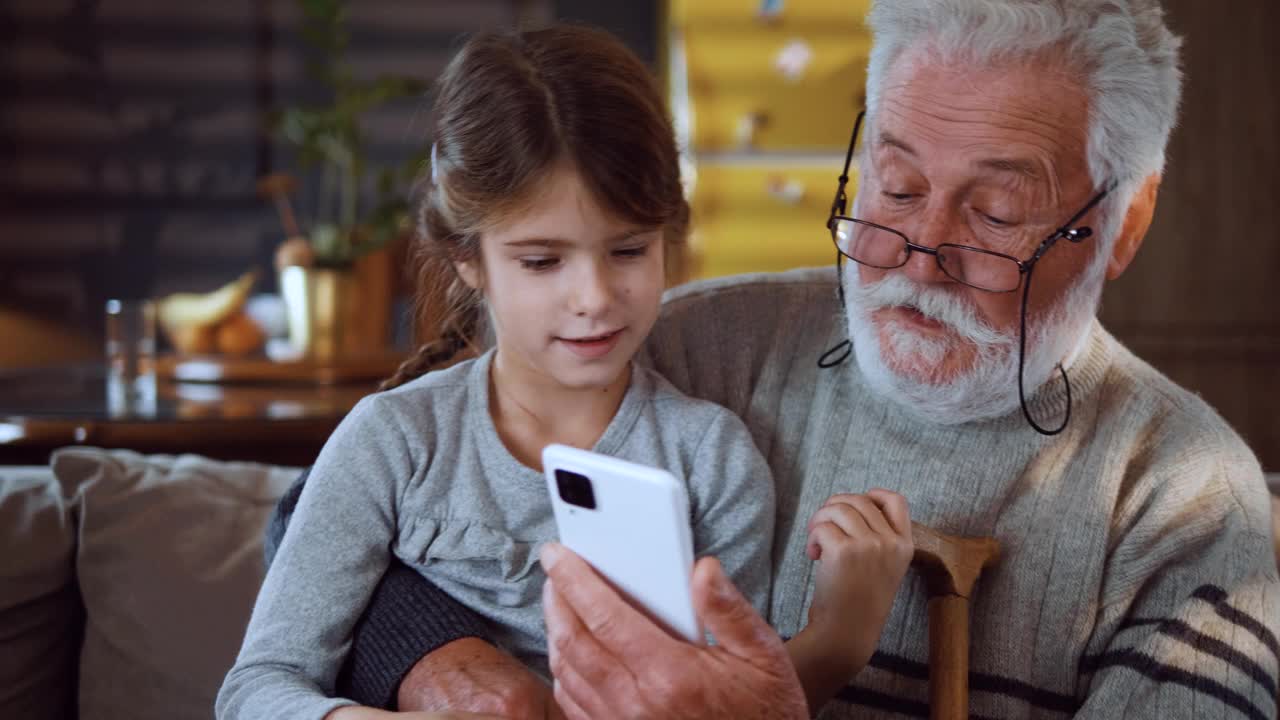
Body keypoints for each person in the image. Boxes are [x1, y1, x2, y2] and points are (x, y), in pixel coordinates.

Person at [284, 2, 1280, 719]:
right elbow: (331, 497)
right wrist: (441, 658)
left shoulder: (1188, 504)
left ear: (1119, 222)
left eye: (993, 212)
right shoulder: (697, 341)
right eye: (891, 185)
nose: (911, 252)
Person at [220, 25, 915, 720]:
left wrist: (832, 641)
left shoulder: (711, 462)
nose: (595, 298)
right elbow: (259, 686)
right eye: (542, 261)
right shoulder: (396, 440)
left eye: (628, 250)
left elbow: (727, 702)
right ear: (469, 258)